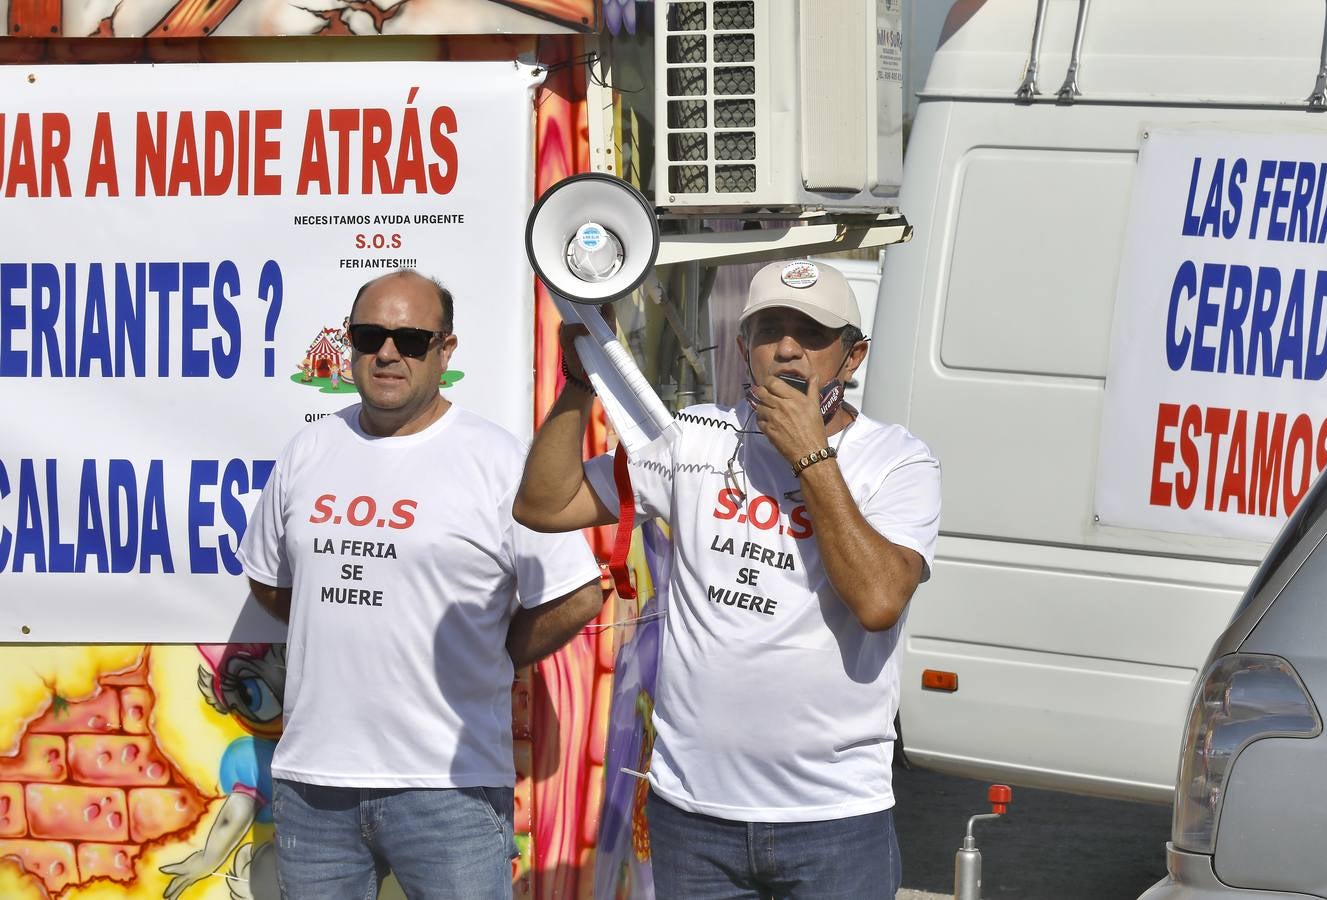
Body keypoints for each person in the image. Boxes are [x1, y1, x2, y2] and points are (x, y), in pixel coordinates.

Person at [514, 258, 941, 899]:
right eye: (770, 329)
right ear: (744, 348)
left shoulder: (898, 461)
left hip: (832, 818)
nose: (788, 348)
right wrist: (578, 387)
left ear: (852, 358)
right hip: (694, 814)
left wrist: (810, 457)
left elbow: (878, 601)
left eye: (814, 333)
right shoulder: (696, 441)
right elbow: (546, 505)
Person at [237, 269, 604, 899]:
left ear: (446, 350)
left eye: (410, 338)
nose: (386, 352)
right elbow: (271, 583)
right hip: (314, 785)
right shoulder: (309, 449)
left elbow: (577, 595)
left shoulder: (496, 459)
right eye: (369, 335)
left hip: (449, 787)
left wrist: (495, 650)